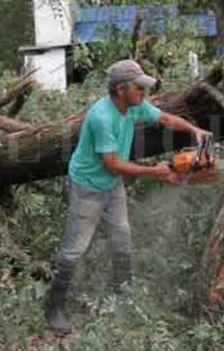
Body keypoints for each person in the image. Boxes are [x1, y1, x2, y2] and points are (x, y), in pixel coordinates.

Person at [44, 59, 212, 333]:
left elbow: (165, 118)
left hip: (112, 185)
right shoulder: (102, 117)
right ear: (120, 89)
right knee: (76, 247)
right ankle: (53, 308)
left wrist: (195, 131)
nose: (143, 92)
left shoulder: (134, 105)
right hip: (88, 187)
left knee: (122, 238)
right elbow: (113, 164)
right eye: (139, 87)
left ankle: (121, 296)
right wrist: (156, 172)